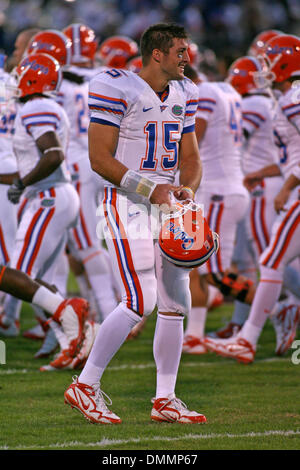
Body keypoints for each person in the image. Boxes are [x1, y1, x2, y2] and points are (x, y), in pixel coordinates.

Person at [64, 23, 206, 425]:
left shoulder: (186, 92)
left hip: (164, 206)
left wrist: (187, 190)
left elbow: (191, 157)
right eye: (179, 50)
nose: (187, 57)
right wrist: (154, 190)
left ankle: (165, 398)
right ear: (156, 54)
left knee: (177, 302)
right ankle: (85, 385)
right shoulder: (116, 86)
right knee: (140, 300)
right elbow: (99, 158)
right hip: (125, 202)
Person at [204, 34, 300, 363]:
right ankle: (249, 333)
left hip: (295, 192)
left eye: (272, 62)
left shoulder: (290, 99)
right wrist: (269, 173)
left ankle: (250, 336)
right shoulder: (283, 98)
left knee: (270, 260)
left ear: (286, 65)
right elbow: (292, 156)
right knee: (270, 260)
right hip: (283, 185)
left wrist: (287, 187)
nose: (266, 68)